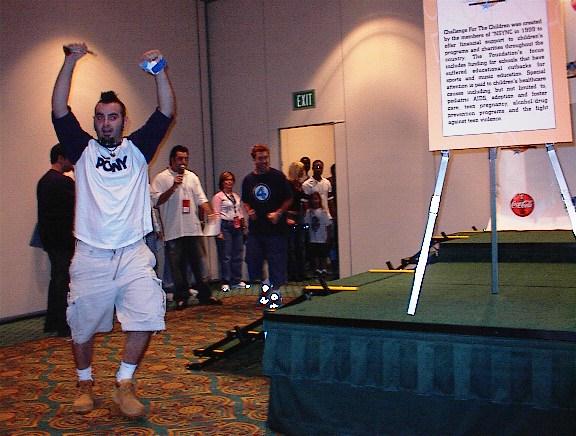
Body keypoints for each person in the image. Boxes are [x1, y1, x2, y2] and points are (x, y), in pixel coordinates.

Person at [51, 42, 174, 418]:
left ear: (124, 120)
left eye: (114, 117)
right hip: (91, 253)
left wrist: (159, 70)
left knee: (148, 314)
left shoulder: (138, 149)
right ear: (94, 121)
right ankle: (84, 383)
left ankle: (124, 382)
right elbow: (59, 108)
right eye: (101, 117)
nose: (107, 122)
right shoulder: (82, 150)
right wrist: (70, 61)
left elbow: (166, 110)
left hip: (133, 251)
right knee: (82, 326)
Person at [151, 145, 221, 308]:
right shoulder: (161, 178)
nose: (183, 162)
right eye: (180, 159)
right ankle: (181, 297)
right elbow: (156, 201)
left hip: (193, 229)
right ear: (172, 160)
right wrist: (173, 187)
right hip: (173, 230)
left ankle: (205, 295)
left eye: (186, 159)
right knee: (177, 267)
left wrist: (210, 213)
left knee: (199, 264)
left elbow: (201, 199)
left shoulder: (192, 177)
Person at [36, 144, 75, 338]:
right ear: (61, 158)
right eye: (70, 158)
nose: (72, 162)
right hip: (63, 237)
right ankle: (62, 324)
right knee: (63, 280)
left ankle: (52, 321)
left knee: (57, 279)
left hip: (50, 238)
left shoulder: (43, 181)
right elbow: (75, 208)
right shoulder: (64, 182)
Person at [242, 144, 293, 289]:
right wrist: (249, 210)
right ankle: (263, 288)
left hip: (276, 230)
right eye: (260, 158)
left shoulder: (278, 177)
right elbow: (245, 200)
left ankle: (276, 292)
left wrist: (279, 213)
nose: (264, 161)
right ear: (254, 159)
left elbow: (289, 198)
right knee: (252, 261)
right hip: (256, 230)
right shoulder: (248, 180)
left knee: (276, 265)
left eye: (266, 158)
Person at [212, 171, 247, 292]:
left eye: (231, 180)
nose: (229, 182)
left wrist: (243, 224)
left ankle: (236, 280)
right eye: (226, 180)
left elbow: (239, 211)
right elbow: (216, 213)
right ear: (222, 182)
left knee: (238, 253)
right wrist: (218, 231)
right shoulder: (218, 197)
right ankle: (225, 281)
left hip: (236, 226)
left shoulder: (235, 196)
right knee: (226, 255)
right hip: (224, 225)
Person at [285, 161, 306, 281]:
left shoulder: (299, 184)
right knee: (291, 246)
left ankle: (301, 272)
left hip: (299, 215)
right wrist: (286, 217)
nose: (303, 172)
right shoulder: (287, 184)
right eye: (301, 170)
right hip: (290, 216)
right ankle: (292, 274)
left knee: (300, 245)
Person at [304, 192, 332, 275]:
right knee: (315, 255)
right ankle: (316, 270)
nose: (315, 201)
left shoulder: (323, 212)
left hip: (322, 237)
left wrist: (328, 237)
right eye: (313, 199)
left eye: (316, 199)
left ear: (319, 200)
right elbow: (306, 224)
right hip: (313, 238)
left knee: (323, 255)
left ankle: (324, 269)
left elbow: (328, 225)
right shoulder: (309, 212)